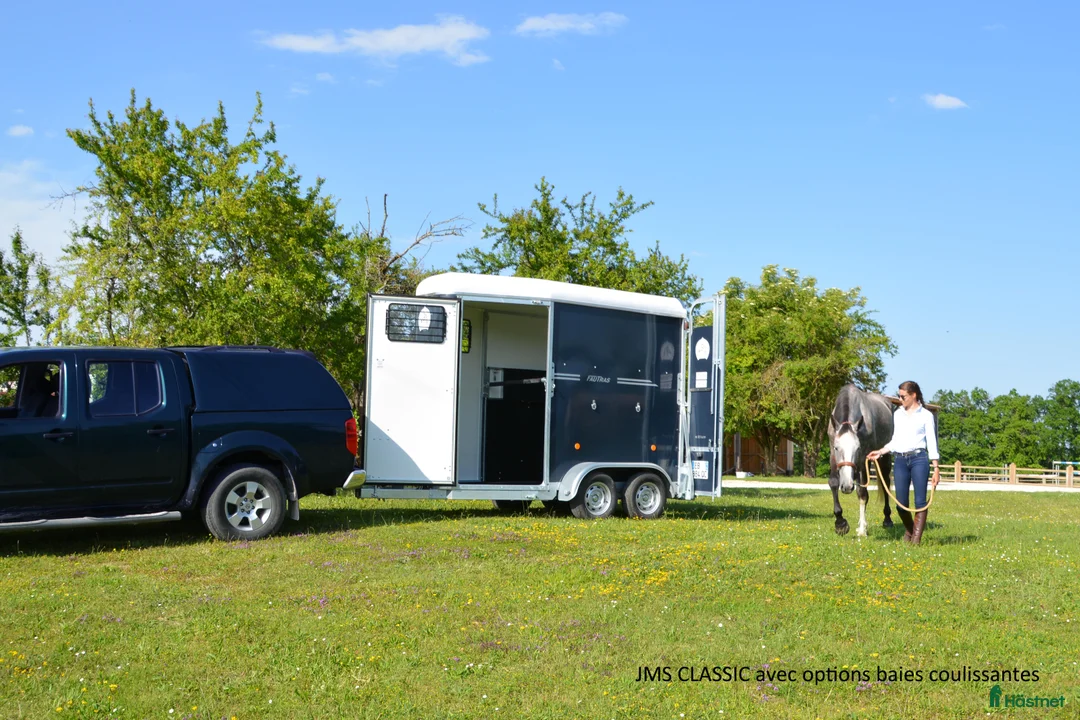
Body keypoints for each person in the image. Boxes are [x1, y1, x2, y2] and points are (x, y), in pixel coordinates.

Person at [867, 381, 940, 544]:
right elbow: (895, 440)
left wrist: (936, 467)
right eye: (900, 396)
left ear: (913, 395)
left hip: (919, 459)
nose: (900, 399)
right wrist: (880, 452)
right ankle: (910, 530)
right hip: (900, 460)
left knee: (920, 503)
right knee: (901, 504)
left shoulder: (926, 416)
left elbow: (932, 442)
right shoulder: (898, 414)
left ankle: (915, 540)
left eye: (903, 396)